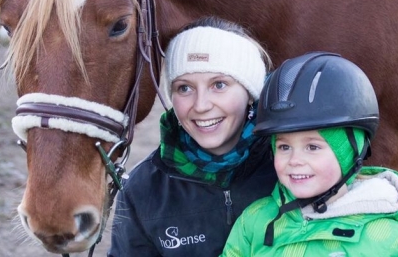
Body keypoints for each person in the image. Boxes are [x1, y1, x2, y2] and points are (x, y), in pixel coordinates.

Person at [107, 16, 278, 256]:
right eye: (184, 88)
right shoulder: (143, 189)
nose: (201, 105)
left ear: (250, 92)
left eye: (219, 84)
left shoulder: (287, 166)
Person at [221, 52, 398, 256]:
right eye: (284, 147)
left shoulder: (390, 241)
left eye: (312, 147)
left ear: (351, 151)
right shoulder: (255, 220)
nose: (295, 161)